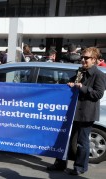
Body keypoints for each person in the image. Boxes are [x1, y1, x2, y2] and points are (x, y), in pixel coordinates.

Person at [47, 47, 105, 176]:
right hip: (72, 111)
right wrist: (70, 84)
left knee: (82, 142)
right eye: (82, 58)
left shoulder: (99, 75)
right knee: (65, 139)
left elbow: (98, 94)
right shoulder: (80, 71)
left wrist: (83, 88)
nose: (83, 60)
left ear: (94, 60)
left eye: (86, 58)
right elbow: (72, 84)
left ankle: (79, 167)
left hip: (86, 113)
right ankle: (60, 163)